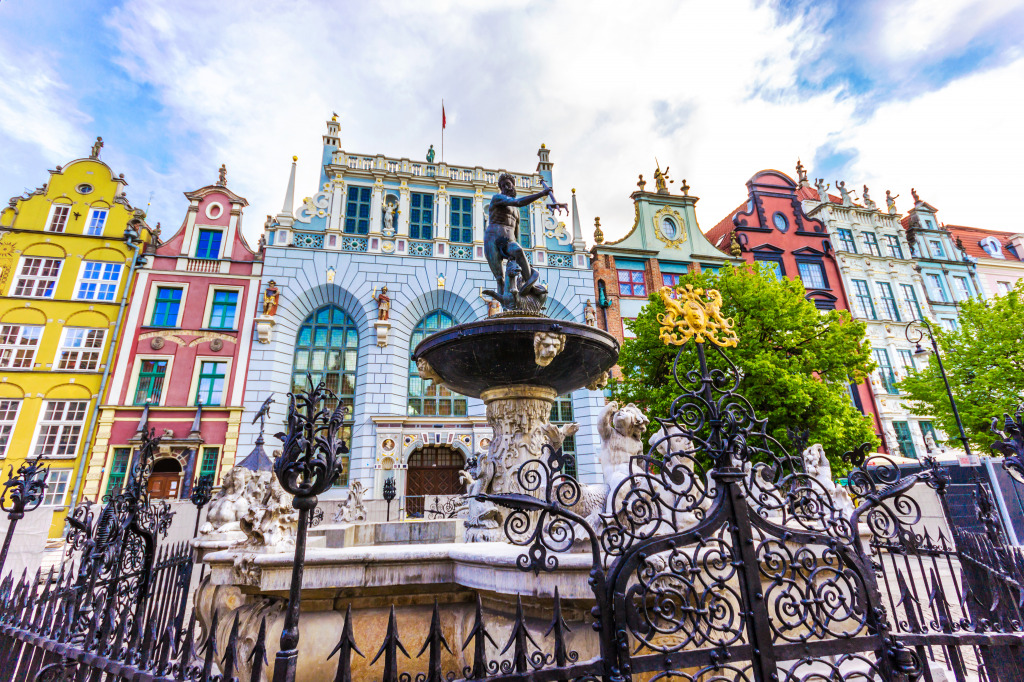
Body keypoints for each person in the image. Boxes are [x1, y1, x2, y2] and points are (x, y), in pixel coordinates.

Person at [485, 173, 552, 298]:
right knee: (500, 277)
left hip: (509, 240)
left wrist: (513, 255)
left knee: (518, 250)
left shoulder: (516, 211)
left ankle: (529, 285)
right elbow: (518, 201)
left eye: (508, 184)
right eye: (503, 185)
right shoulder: (497, 198)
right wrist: (542, 194)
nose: (506, 187)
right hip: (492, 239)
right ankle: (504, 308)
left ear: (513, 185)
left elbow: (515, 230)